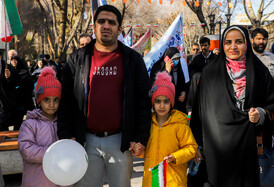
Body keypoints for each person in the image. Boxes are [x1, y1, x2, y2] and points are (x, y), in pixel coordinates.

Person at [57, 5, 151, 187]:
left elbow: (143, 102)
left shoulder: (133, 60)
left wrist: (140, 137)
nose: (106, 25)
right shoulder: (77, 59)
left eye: (111, 22)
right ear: (94, 27)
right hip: (86, 141)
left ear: (119, 29)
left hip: (121, 142)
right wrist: (66, 134)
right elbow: (66, 101)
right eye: (101, 21)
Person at [190, 25, 274, 187]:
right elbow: (199, 111)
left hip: (248, 149)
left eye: (239, 42)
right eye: (228, 42)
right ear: (222, 45)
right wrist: (196, 144)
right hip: (216, 149)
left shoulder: (260, 73)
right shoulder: (210, 73)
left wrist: (261, 114)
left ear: (246, 44)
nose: (233, 47)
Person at [138, 71, 197, 187]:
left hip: (174, 180)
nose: (161, 106)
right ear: (153, 103)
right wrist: (138, 149)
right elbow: (145, 151)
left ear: (171, 103)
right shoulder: (148, 124)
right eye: (158, 101)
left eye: (166, 101)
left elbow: (191, 148)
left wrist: (175, 157)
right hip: (152, 180)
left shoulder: (179, 123)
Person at [18, 67, 65, 187]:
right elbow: (26, 150)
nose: (51, 105)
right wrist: (52, 153)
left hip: (61, 180)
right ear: (39, 101)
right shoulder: (30, 124)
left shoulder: (63, 124)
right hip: (37, 182)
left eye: (56, 100)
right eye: (46, 100)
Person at [150, 47, 188, 113]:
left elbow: (183, 84)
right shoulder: (157, 68)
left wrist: (184, 92)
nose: (176, 61)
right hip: (163, 105)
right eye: (174, 59)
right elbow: (156, 86)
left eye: (178, 59)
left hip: (177, 105)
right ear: (167, 58)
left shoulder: (178, 69)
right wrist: (167, 71)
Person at [10, 56, 34, 130]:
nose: (14, 62)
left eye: (15, 60)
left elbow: (30, 85)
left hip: (24, 100)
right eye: (12, 60)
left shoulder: (24, 72)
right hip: (13, 100)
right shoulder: (9, 71)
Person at [0, 53, 17, 131]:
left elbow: (15, 84)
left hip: (4, 102)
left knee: (3, 124)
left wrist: (9, 78)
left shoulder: (8, 67)